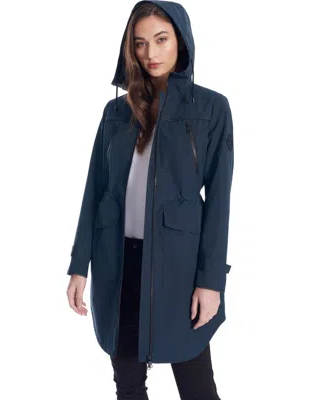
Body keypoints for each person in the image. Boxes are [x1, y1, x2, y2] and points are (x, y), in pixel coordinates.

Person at [66, 1, 234, 398]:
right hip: (118, 260)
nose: (150, 53)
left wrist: (210, 282)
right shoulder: (115, 112)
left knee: (196, 385)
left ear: (181, 41)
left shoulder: (211, 108)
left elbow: (219, 201)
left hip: (179, 265)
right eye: (140, 43)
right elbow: (95, 191)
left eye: (161, 40)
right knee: (128, 385)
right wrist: (79, 265)